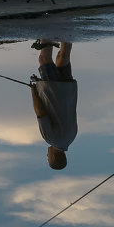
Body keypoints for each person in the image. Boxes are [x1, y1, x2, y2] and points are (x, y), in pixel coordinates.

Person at [29, 40, 78, 169]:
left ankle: (67, 30)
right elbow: (40, 112)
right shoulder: (51, 139)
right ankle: (47, 32)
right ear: (54, 157)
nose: (47, 155)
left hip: (68, 89)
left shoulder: (72, 137)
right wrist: (33, 90)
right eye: (48, 158)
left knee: (63, 56)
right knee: (44, 58)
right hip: (53, 89)